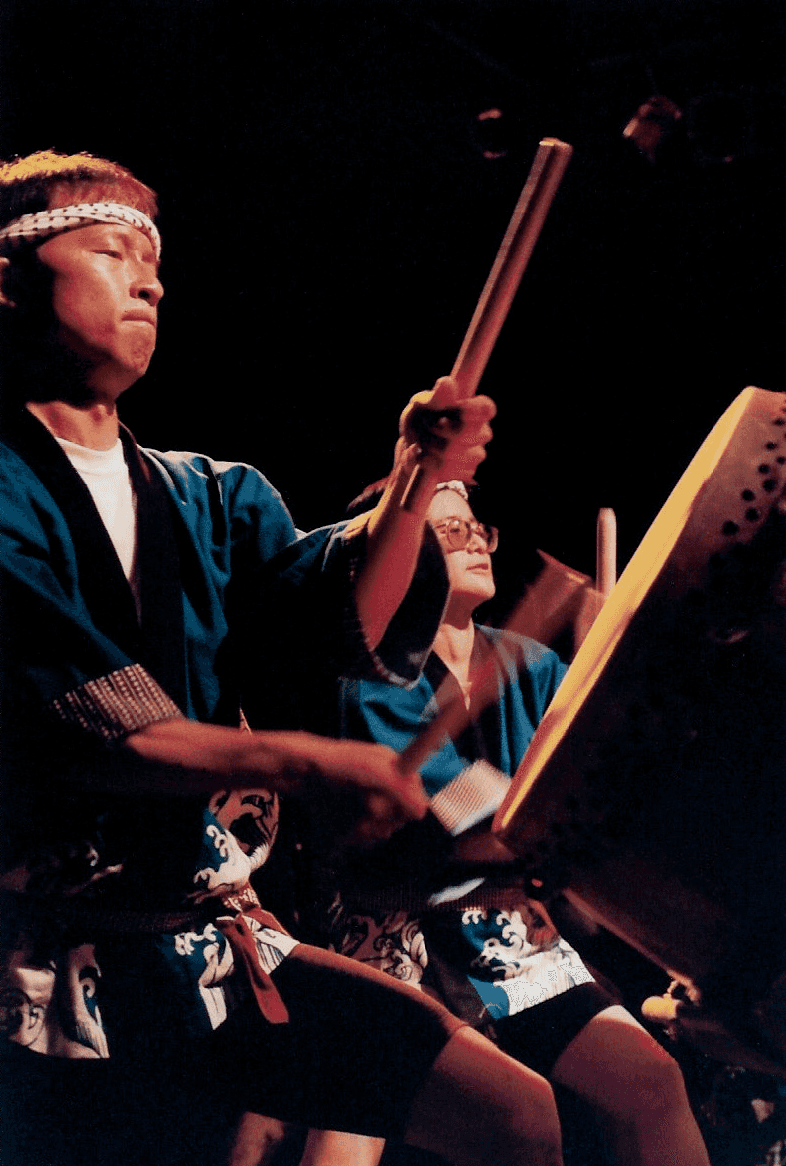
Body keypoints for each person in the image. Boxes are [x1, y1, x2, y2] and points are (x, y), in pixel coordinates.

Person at [0, 149, 571, 1166]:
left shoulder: (209, 496)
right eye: (111, 249)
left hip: (209, 946)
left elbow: (327, 623)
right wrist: (311, 761)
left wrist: (414, 480)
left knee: (512, 1111)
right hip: (44, 970)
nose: (149, 278)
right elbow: (83, 726)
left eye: (156, 262)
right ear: (7, 281)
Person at [302, 481, 712, 1166]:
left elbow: (593, 780)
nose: (471, 539)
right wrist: (540, 793)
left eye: (474, 526)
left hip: (506, 928)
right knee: (358, 1118)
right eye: (444, 529)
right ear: (393, 555)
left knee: (649, 1083)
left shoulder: (531, 662)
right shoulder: (369, 676)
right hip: (397, 929)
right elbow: (438, 825)